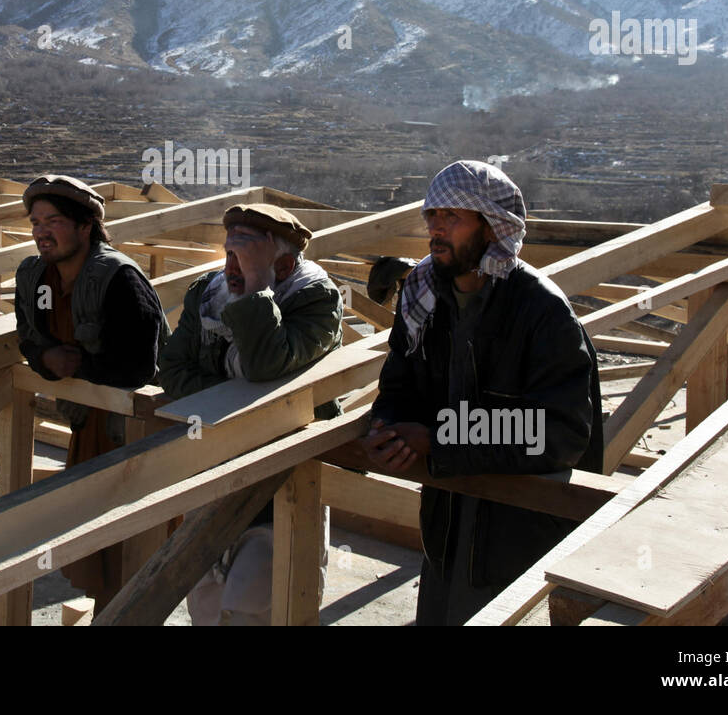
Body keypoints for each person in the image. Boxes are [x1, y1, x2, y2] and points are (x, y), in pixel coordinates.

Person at [359, 160, 601, 625]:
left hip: (517, 536)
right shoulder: (425, 299)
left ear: (491, 228)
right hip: (445, 527)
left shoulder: (541, 311)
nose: (436, 229)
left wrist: (438, 439)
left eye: (453, 218)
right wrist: (385, 425)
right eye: (433, 217)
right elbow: (399, 384)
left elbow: (561, 432)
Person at [158, 203, 344, 624]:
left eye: (246, 256)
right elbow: (171, 370)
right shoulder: (207, 293)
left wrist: (259, 285)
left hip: (282, 481)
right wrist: (232, 400)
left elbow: (264, 367)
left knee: (259, 606)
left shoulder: (315, 298)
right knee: (205, 599)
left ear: (285, 263)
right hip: (211, 472)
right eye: (229, 253)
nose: (232, 268)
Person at [13, 174, 168, 609]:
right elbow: (30, 334)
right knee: (94, 542)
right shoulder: (40, 280)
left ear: (86, 227)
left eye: (54, 220)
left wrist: (81, 365)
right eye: (36, 221)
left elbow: (141, 365)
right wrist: (45, 360)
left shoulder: (118, 280)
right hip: (87, 423)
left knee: (133, 542)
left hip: (133, 430)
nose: (42, 230)